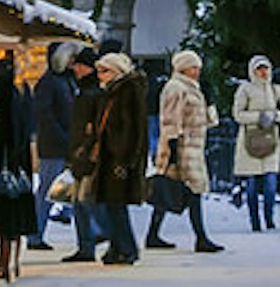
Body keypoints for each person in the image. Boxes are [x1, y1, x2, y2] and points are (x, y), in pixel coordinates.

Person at [149, 50, 224, 254]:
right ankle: (201, 237)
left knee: (170, 192)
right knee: (191, 191)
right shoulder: (175, 88)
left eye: (198, 67)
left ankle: (153, 234)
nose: (197, 71)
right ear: (182, 68)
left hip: (194, 148)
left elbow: (209, 122)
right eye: (193, 67)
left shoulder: (194, 89)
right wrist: (172, 152)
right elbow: (170, 120)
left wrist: (210, 102)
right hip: (181, 148)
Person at [82, 52, 150, 263]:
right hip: (110, 155)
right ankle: (118, 246)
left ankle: (126, 248)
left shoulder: (127, 92)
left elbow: (133, 130)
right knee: (109, 204)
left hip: (118, 157)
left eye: (105, 71)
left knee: (115, 205)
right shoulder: (111, 92)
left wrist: (125, 160)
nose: (100, 75)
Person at [0, 58, 40, 281]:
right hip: (18, 176)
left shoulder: (2, 111)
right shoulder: (18, 104)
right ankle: (10, 262)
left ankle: (3, 264)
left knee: (3, 221)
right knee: (12, 224)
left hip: (2, 176)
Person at [38, 47, 93, 259]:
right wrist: (64, 137)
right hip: (54, 145)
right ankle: (36, 233)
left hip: (66, 144)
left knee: (70, 189)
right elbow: (46, 115)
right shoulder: (51, 83)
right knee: (47, 189)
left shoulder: (67, 81)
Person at [232, 55, 280, 233]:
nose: (263, 72)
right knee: (251, 185)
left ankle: (269, 217)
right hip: (249, 141)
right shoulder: (245, 89)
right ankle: (255, 221)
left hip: (271, 141)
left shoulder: (277, 90)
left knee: (271, 184)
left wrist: (274, 116)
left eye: (265, 68)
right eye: (259, 68)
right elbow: (238, 114)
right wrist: (259, 117)